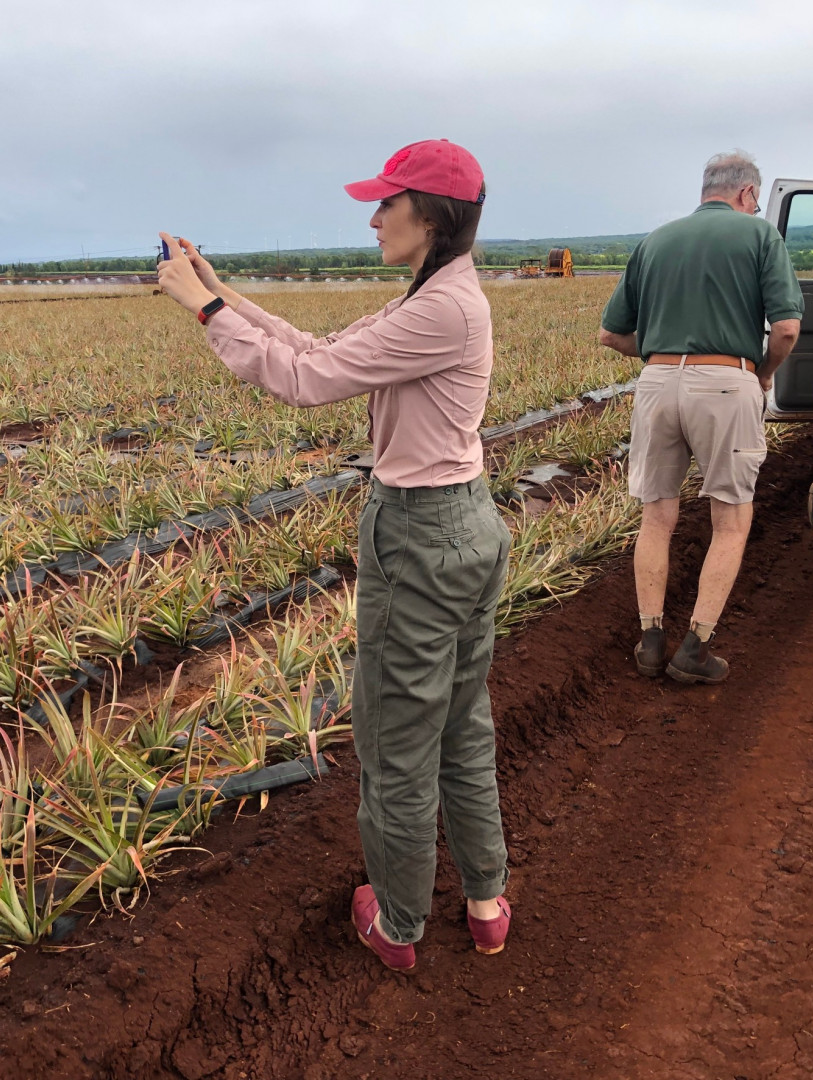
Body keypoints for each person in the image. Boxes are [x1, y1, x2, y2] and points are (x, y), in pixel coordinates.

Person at [156, 139, 511, 973]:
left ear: (434, 214)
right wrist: (219, 292)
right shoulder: (434, 296)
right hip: (464, 526)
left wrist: (202, 315)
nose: (375, 215)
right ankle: (487, 901)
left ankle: (397, 925)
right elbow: (316, 348)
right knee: (461, 722)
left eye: (390, 202)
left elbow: (305, 383)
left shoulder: (440, 309)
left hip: (422, 537)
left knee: (396, 741)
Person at [598, 150, 803, 684]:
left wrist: (664, 353)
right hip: (724, 381)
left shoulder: (656, 241)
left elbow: (611, 334)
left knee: (657, 519)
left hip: (657, 383)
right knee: (730, 520)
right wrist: (760, 375)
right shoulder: (761, 238)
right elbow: (785, 329)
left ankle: (649, 641)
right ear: (748, 195)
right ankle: (695, 647)